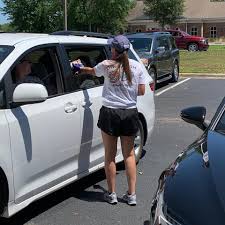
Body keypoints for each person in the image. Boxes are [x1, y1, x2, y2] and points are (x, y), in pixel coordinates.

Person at [72, 35, 146, 206]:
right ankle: (131, 195)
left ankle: (111, 194)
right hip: (129, 113)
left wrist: (78, 67)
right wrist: (127, 90)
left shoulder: (106, 65)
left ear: (114, 49)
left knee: (110, 156)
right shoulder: (137, 67)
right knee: (128, 155)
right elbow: (141, 91)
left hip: (110, 113)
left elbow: (91, 71)